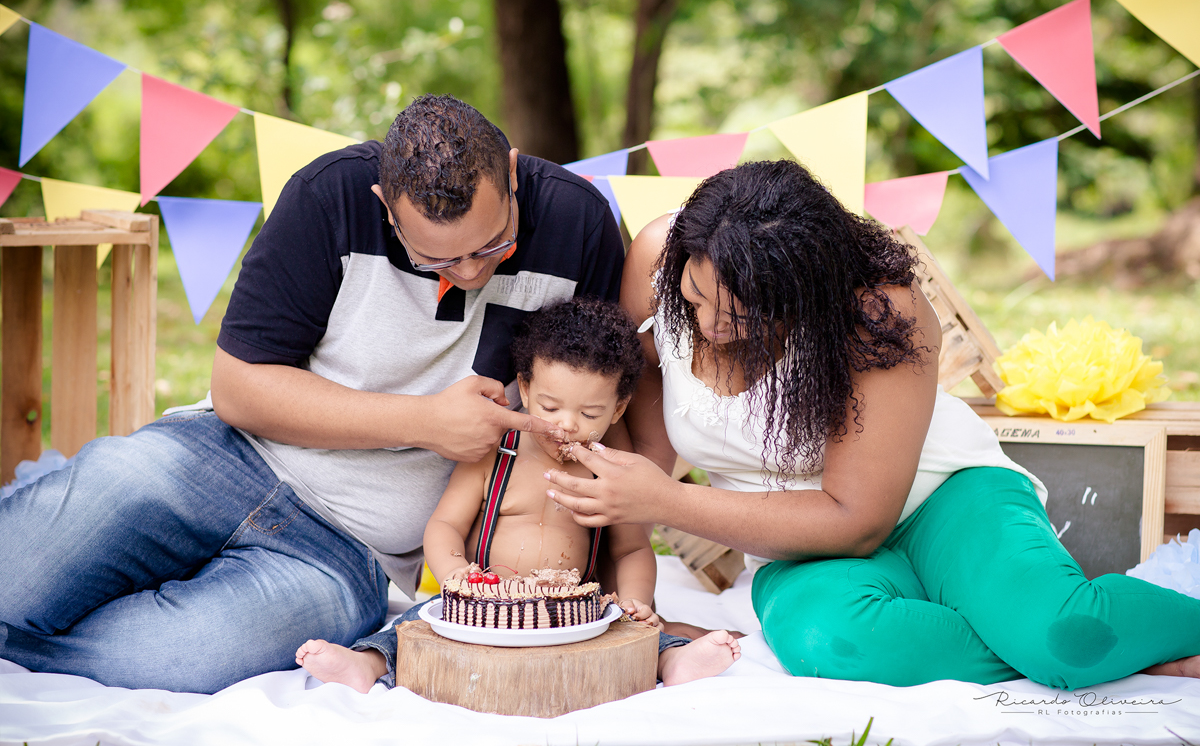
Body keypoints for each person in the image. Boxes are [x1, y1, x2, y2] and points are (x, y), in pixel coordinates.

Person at [0, 94, 626, 693]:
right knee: (15, 578)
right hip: (217, 457)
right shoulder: (329, 195)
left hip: (349, 552)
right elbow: (238, 390)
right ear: (385, 205)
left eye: (492, 245)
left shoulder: (579, 224)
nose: (468, 272)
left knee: (184, 655)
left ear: (511, 173)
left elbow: (609, 395)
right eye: (435, 260)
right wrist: (424, 422)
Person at [544, 159, 1200, 689]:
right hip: (798, 547)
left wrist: (666, 501)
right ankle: (1076, 646)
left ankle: (1071, 641)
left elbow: (857, 520)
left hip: (944, 500)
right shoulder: (658, 258)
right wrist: (621, 585)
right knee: (829, 642)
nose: (710, 325)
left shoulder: (878, 310)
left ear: (806, 294)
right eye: (694, 298)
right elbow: (649, 442)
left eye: (742, 314)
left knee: (1065, 636)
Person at [295, 298, 740, 691]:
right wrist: (456, 574)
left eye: (590, 413)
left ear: (617, 409)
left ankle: (672, 660)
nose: (566, 424)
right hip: (482, 604)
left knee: (633, 630)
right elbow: (445, 524)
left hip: (574, 611)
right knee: (418, 623)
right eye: (549, 407)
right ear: (524, 388)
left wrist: (635, 601)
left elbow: (631, 549)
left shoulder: (608, 472)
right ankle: (368, 664)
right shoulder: (496, 453)